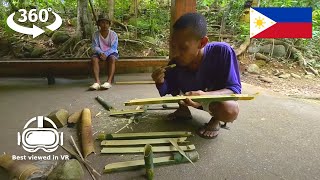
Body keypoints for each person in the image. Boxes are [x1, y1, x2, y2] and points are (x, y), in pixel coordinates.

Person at [151, 12, 241, 139]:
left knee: (230, 110)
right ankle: (183, 110)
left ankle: (215, 120)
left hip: (213, 103)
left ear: (202, 43)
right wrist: (159, 81)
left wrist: (205, 96)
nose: (175, 53)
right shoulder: (176, 62)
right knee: (175, 79)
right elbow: (168, 88)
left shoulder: (222, 52)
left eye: (183, 48)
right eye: (172, 46)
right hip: (189, 100)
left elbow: (235, 90)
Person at [89, 14, 119, 90]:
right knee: (94, 59)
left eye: (106, 23)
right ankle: (97, 82)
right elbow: (95, 46)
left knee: (112, 59)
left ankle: (108, 82)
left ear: (109, 24)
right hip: (100, 52)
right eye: (102, 23)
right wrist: (101, 53)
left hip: (111, 52)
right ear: (99, 24)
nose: (105, 25)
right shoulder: (96, 34)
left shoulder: (113, 34)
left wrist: (106, 54)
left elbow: (114, 47)